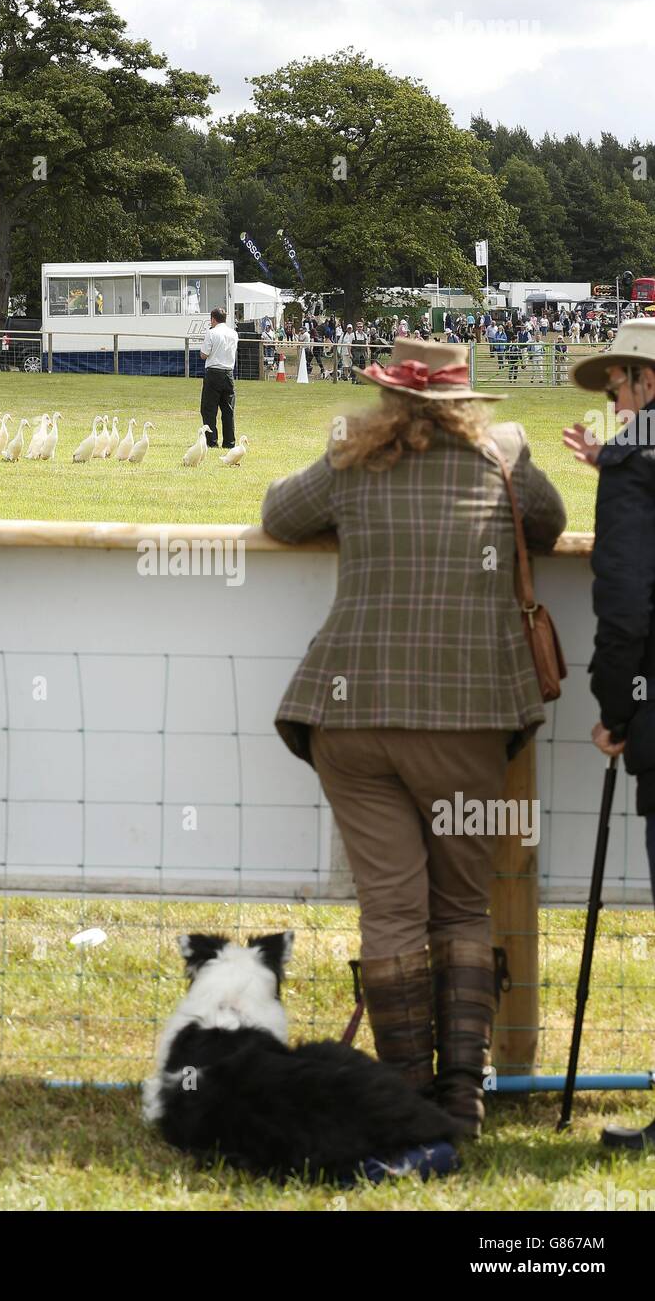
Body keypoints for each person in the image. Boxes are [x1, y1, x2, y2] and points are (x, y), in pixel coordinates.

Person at [261, 337, 566, 1139]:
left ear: (387, 397)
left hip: (349, 715)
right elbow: (552, 522)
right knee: (462, 907)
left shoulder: (351, 461)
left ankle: (399, 1100)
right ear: (466, 399)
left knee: (391, 911)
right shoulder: (500, 460)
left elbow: (277, 515)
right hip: (464, 716)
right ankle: (460, 1101)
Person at [564, 320, 655, 1151]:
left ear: (644, 381)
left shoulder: (633, 465)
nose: (611, 404)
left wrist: (614, 708)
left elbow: (624, 602)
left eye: (615, 388)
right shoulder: (630, 459)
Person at [198, 305, 238, 448]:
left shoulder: (212, 333)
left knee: (209, 409)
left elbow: (204, 354)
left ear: (213, 319)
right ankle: (229, 442)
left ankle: (211, 441)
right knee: (228, 410)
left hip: (214, 373)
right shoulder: (234, 333)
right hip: (228, 373)